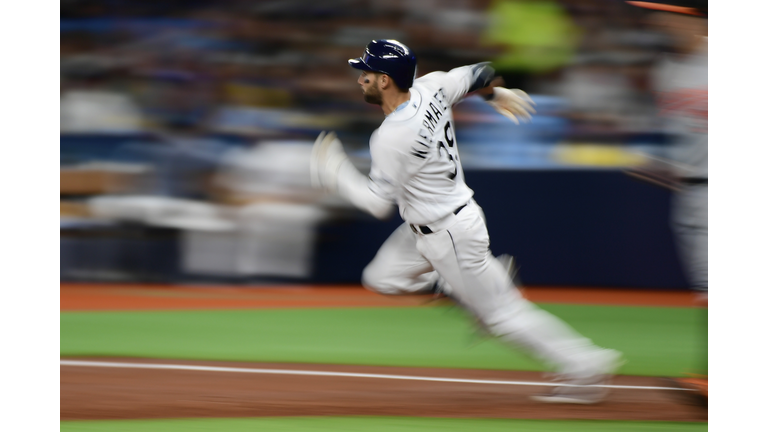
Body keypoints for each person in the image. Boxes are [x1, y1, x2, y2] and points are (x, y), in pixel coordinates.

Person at [310, 39, 622, 404]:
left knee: (501, 317)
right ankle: (454, 285)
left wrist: (337, 173)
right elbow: (481, 73)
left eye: (367, 73)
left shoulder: (392, 135)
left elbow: (377, 204)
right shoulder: (432, 86)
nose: (360, 78)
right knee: (382, 278)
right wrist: (495, 95)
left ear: (385, 80)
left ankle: (586, 368)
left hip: (449, 232)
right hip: (432, 224)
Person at [625, 0, 708, 404]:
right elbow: (686, 136)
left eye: (667, 13)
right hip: (690, 194)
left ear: (693, 18)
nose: (658, 21)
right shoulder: (667, 70)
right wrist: (662, 166)